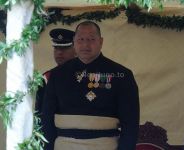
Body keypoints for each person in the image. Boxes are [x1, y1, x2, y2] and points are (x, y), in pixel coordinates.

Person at [41, 21, 140, 150]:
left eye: (91, 39)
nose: (85, 45)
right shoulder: (57, 75)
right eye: (81, 39)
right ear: (74, 42)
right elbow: (47, 120)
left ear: (101, 41)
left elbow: (130, 124)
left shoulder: (121, 75)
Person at [35, 28, 76, 114]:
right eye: (56, 48)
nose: (59, 52)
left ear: (76, 50)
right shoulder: (47, 78)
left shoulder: (85, 74)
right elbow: (40, 111)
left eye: (65, 48)